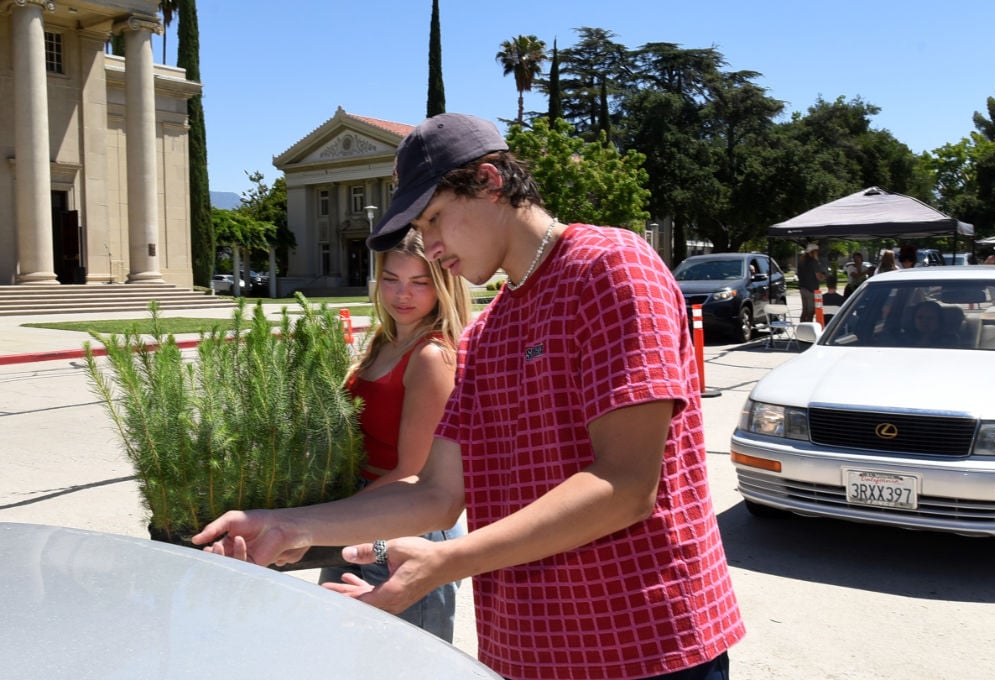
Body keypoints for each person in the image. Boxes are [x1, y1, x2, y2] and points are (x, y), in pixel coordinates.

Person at [195, 112, 745, 679]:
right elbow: (436, 492)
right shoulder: (486, 333)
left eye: (433, 218)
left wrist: (442, 562)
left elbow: (626, 484)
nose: (429, 247)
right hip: (527, 653)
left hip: (644, 648)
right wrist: (293, 526)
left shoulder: (610, 266)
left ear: (490, 182)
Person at [315, 231, 470, 643]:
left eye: (419, 282)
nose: (403, 294)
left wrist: (327, 519)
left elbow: (413, 472)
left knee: (403, 657)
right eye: (391, 279)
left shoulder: (431, 356)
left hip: (407, 523)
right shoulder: (384, 341)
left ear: (441, 287)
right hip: (365, 508)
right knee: (342, 646)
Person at [797, 242, 825, 321]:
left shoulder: (801, 261)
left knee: (804, 310)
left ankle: (802, 327)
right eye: (817, 251)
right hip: (811, 289)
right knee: (811, 311)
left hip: (802, 287)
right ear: (813, 251)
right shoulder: (814, 262)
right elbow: (819, 277)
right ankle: (809, 329)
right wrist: (824, 276)